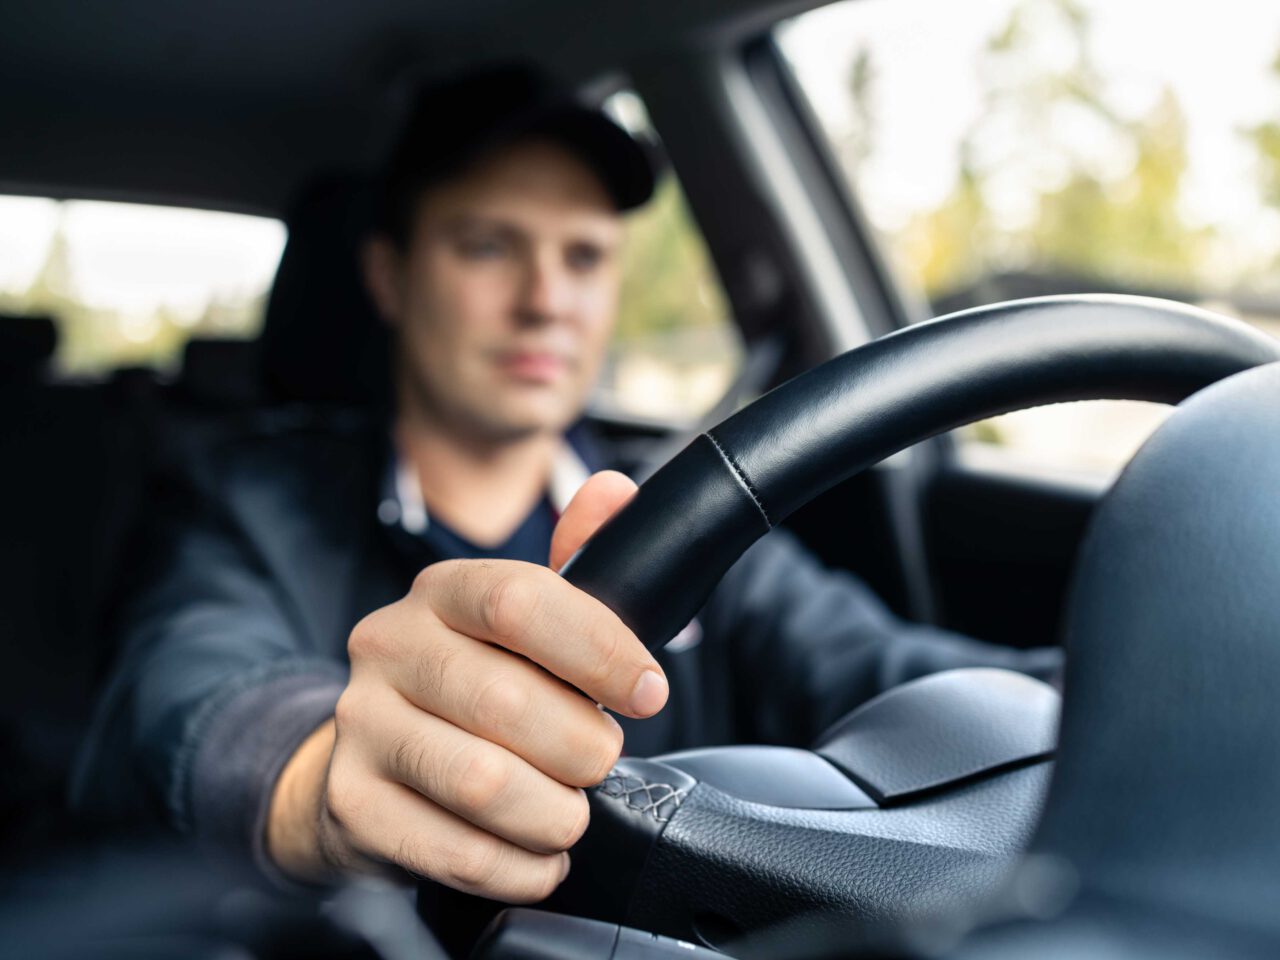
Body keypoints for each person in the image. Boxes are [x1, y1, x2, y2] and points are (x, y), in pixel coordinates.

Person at [74, 66, 1061, 909]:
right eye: (488, 246)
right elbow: (191, 696)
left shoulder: (687, 510)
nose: (545, 300)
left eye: (583, 256)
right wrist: (324, 780)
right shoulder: (241, 495)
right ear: (389, 277)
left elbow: (887, 670)